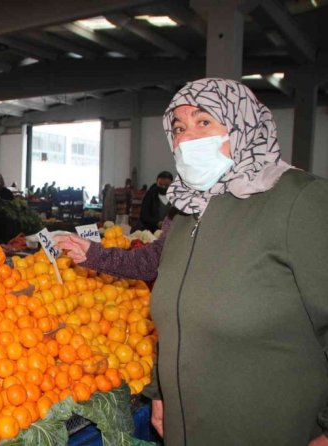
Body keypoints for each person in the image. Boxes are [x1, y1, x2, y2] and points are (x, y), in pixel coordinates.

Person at [56, 78, 328, 445]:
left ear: (243, 124)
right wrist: (160, 390)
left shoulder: (300, 201)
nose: (187, 139)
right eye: (179, 128)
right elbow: (173, 303)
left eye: (203, 122)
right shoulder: (187, 210)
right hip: (188, 425)